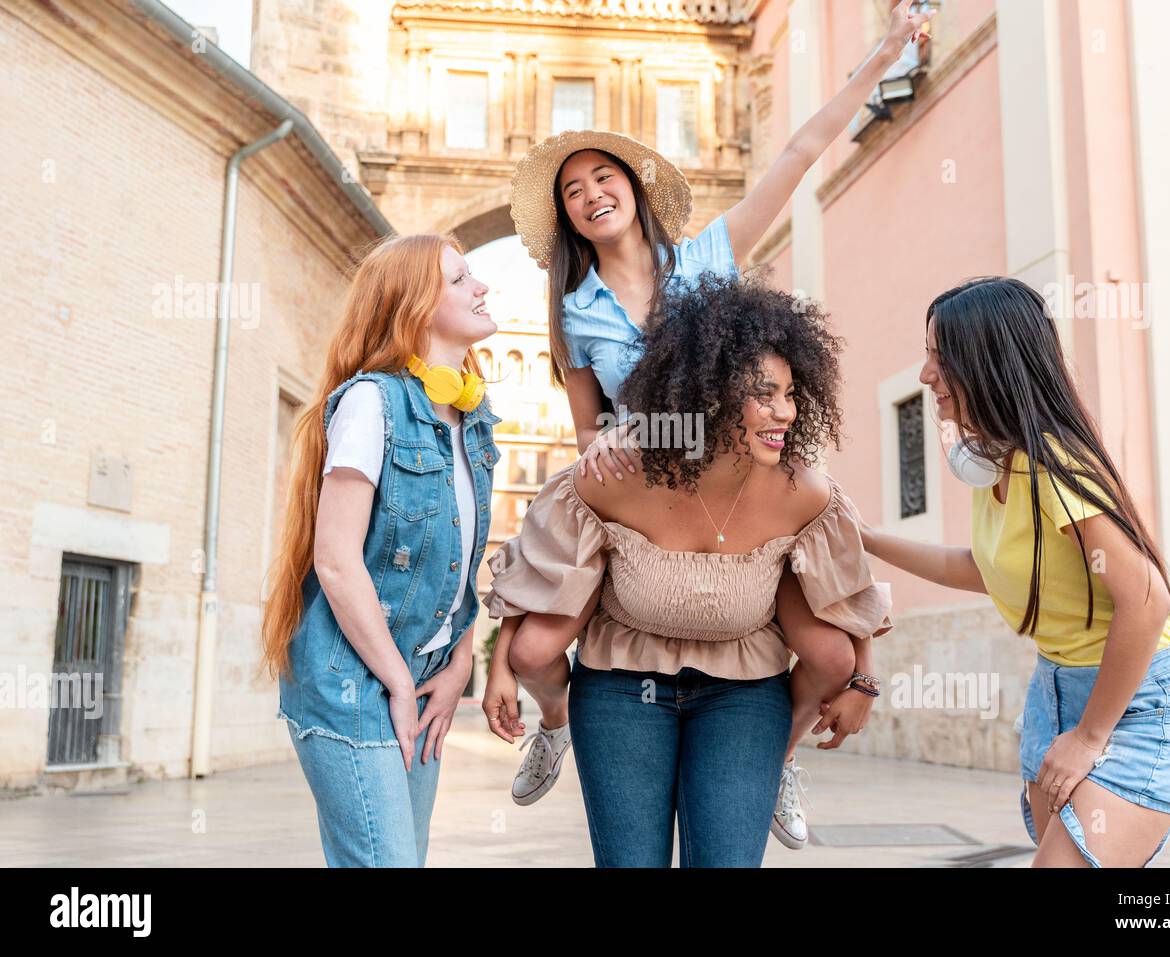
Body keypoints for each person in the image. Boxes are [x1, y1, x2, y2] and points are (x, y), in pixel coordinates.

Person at [494, 0, 934, 847]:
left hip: (742, 474)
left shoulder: (709, 256)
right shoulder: (574, 314)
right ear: (568, 218)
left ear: (634, 186)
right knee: (541, 636)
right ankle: (556, 718)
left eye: (602, 178)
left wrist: (883, 53)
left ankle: (783, 752)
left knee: (823, 639)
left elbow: (801, 152)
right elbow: (588, 431)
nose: (590, 195)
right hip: (649, 486)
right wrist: (613, 443)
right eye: (573, 191)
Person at [483, 275, 892, 866]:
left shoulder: (802, 489)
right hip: (622, 684)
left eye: (791, 393)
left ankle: (780, 761)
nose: (785, 412)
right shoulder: (620, 467)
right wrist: (500, 666)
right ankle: (556, 726)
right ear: (710, 392)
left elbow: (846, 592)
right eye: (764, 395)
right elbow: (537, 563)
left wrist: (864, 682)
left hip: (745, 692)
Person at [860, 276, 1170, 867]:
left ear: (987, 360)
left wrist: (1090, 736)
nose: (925, 376)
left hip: (1142, 698)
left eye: (937, 356)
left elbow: (1149, 598)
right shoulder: (999, 464)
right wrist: (867, 540)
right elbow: (986, 569)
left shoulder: (1051, 464)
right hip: (1058, 686)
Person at [261, 233, 502, 867]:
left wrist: (454, 668)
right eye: (459, 279)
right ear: (414, 305)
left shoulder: (471, 418)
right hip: (353, 677)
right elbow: (336, 560)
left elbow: (458, 562)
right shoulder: (373, 403)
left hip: (425, 679)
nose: (481, 287)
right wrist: (398, 680)